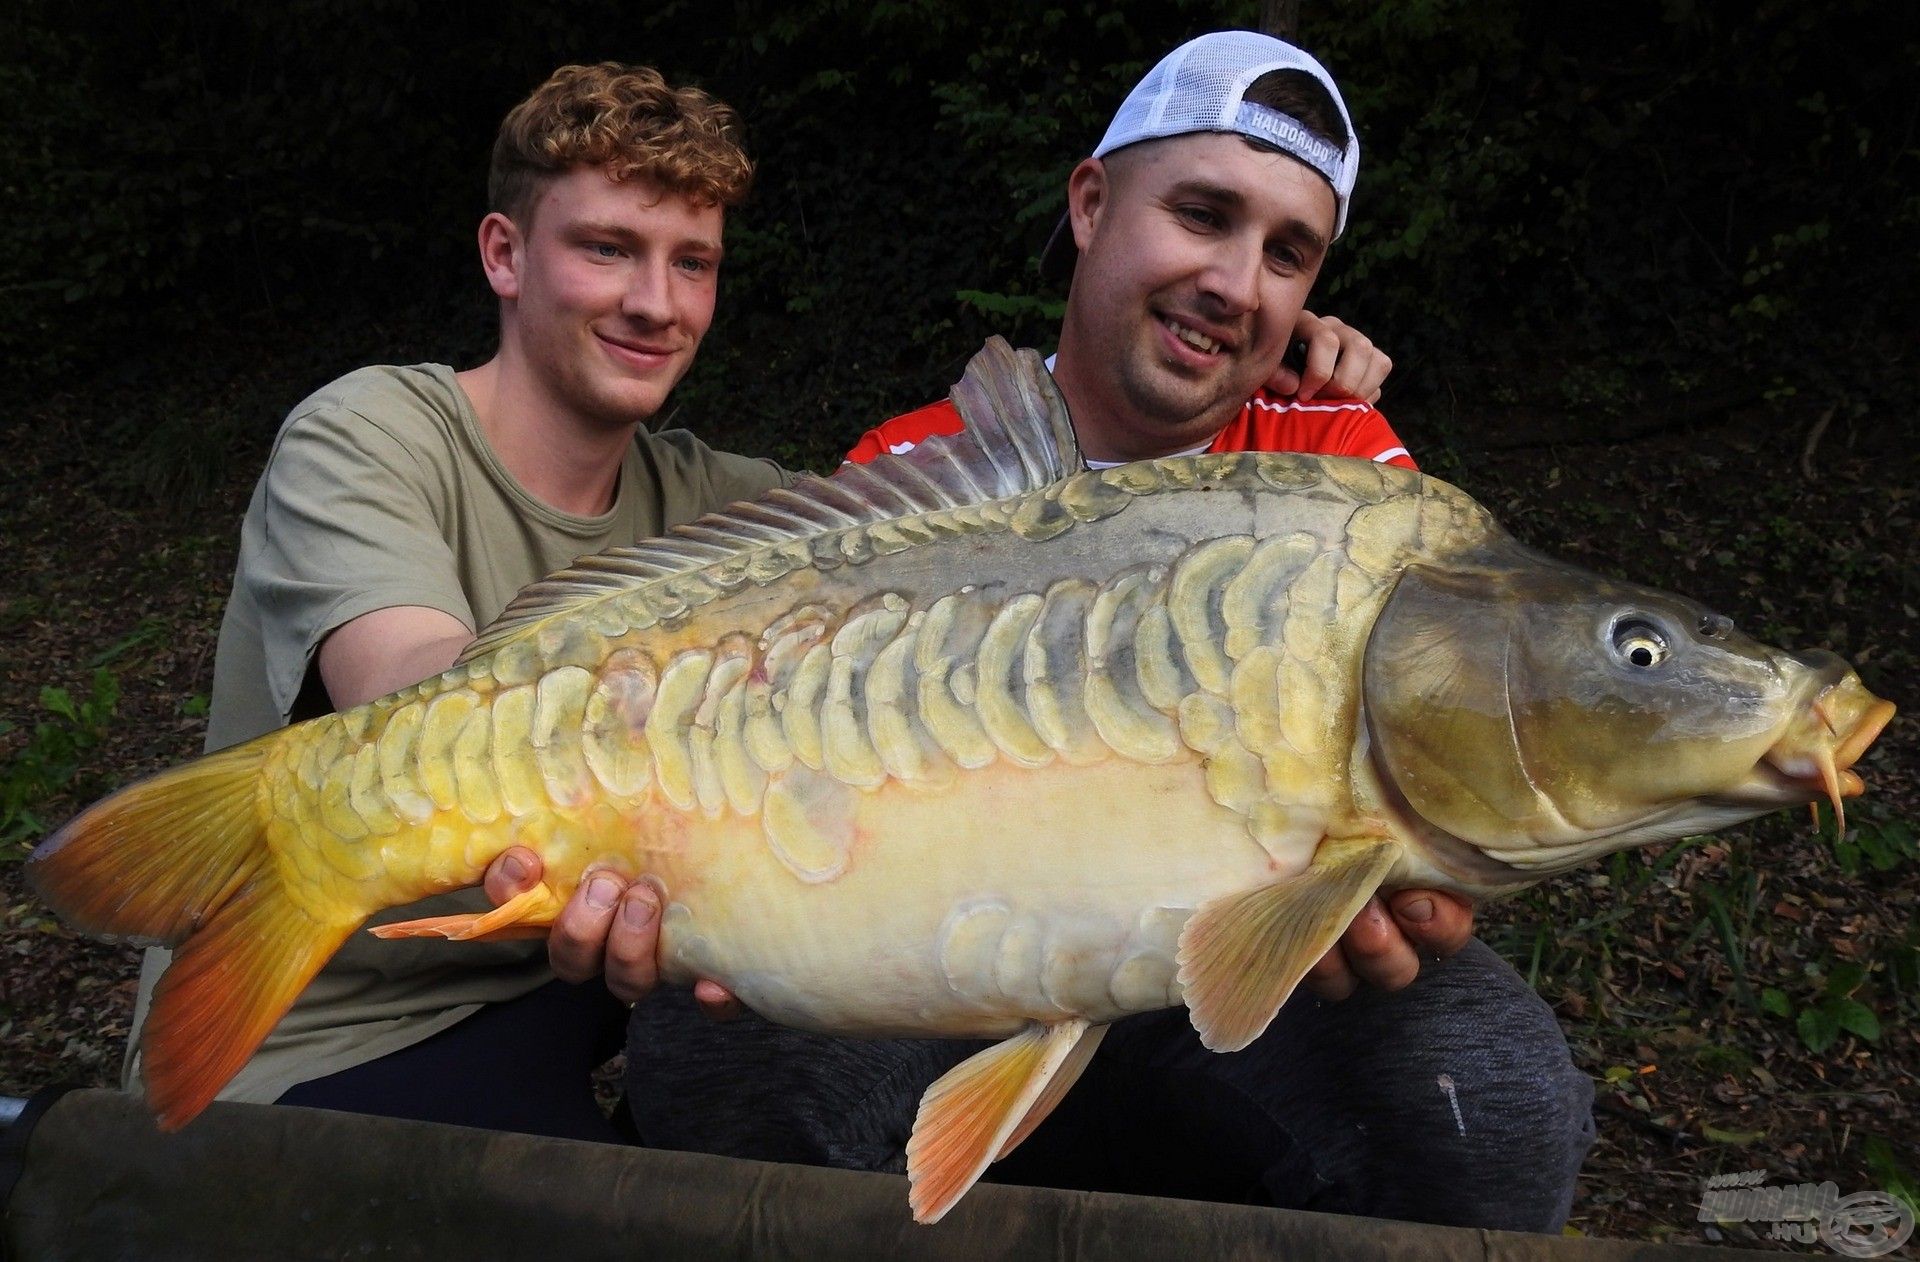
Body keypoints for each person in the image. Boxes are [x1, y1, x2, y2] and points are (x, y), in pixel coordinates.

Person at [122, 59, 1401, 1145]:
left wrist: (1254, 342)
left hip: (549, 1002)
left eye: (694, 262)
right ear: (505, 255)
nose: (654, 300)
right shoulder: (372, 430)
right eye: (608, 249)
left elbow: (951, 586)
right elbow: (416, 694)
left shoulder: (720, 505)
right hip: (345, 1023)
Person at [530, 33, 1597, 1233]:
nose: (1238, 284)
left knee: (1488, 1088)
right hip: (948, 965)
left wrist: (1425, 884)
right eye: (1203, 215)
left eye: (1287, 254)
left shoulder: (1342, 467)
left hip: (1244, 992)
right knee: (711, 1045)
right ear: (1091, 203)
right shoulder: (915, 472)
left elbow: (1472, 727)